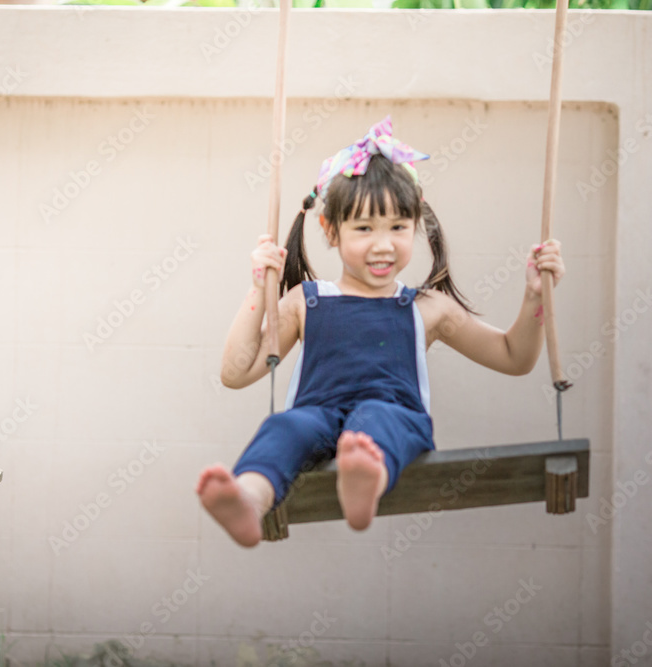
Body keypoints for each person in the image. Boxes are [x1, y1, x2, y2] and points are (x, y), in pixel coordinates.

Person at [197, 116, 565, 547]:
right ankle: (248, 498)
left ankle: (365, 479)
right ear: (330, 230)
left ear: (416, 225)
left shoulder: (426, 308)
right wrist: (259, 288)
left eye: (397, 227)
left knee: (376, 421)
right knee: (283, 428)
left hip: (393, 417)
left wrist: (535, 297)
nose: (384, 244)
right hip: (315, 419)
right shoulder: (305, 301)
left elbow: (513, 356)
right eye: (364, 228)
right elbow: (235, 372)